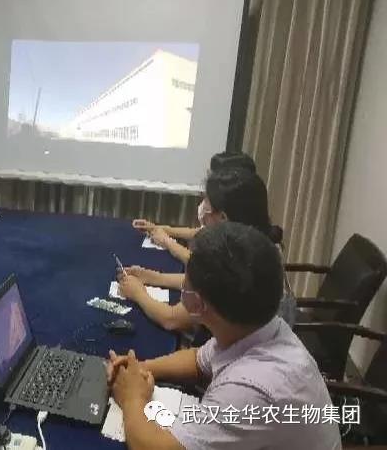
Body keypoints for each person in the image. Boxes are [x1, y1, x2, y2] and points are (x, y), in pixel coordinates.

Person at [105, 223, 341, 450]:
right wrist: (139, 369)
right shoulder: (257, 327)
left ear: (196, 303)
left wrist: (132, 397)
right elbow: (199, 359)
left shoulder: (251, 390)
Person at [118, 167, 295, 332]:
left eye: (207, 205)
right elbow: (205, 281)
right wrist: (153, 277)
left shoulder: (238, 263)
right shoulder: (256, 246)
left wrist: (137, 293)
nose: (202, 212)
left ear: (223, 218)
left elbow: (171, 319)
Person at [132, 151, 258, 264]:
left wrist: (166, 241)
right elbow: (202, 232)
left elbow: (201, 267)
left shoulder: (241, 245)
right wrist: (160, 229)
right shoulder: (235, 221)